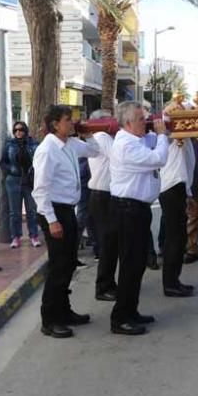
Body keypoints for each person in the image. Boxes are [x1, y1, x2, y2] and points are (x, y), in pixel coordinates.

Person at [31, 104, 102, 339]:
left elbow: (95, 151)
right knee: (58, 266)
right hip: (53, 211)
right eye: (68, 120)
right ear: (55, 124)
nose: (72, 123)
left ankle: (64, 310)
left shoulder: (70, 144)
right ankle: (49, 319)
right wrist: (52, 221)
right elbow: (40, 190)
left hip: (67, 210)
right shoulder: (47, 150)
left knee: (70, 262)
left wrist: (88, 133)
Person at [109, 101, 169, 336]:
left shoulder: (137, 139)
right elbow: (159, 158)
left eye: (145, 118)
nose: (146, 122)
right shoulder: (126, 145)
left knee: (137, 266)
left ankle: (130, 311)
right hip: (128, 211)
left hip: (137, 210)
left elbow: (154, 141)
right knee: (130, 265)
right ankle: (120, 318)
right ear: (127, 124)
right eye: (141, 119)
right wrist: (163, 135)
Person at [158, 120, 195, 297]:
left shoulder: (185, 140)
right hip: (171, 188)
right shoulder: (171, 138)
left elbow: (186, 168)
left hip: (178, 187)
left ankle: (174, 280)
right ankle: (170, 284)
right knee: (174, 239)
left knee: (179, 238)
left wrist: (188, 193)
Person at [85, 110, 117, 301]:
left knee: (110, 243)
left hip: (103, 196)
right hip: (103, 196)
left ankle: (109, 283)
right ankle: (103, 286)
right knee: (107, 244)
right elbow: (119, 157)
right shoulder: (103, 137)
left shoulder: (103, 138)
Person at [0, 121, 40, 249]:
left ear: (26, 130)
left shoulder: (34, 144)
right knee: (14, 212)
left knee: (32, 211)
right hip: (14, 181)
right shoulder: (9, 145)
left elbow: (39, 161)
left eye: (21, 130)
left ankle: (34, 235)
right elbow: (3, 162)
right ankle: (15, 237)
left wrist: (35, 173)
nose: (18, 132)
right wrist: (10, 170)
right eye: (16, 130)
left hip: (30, 181)